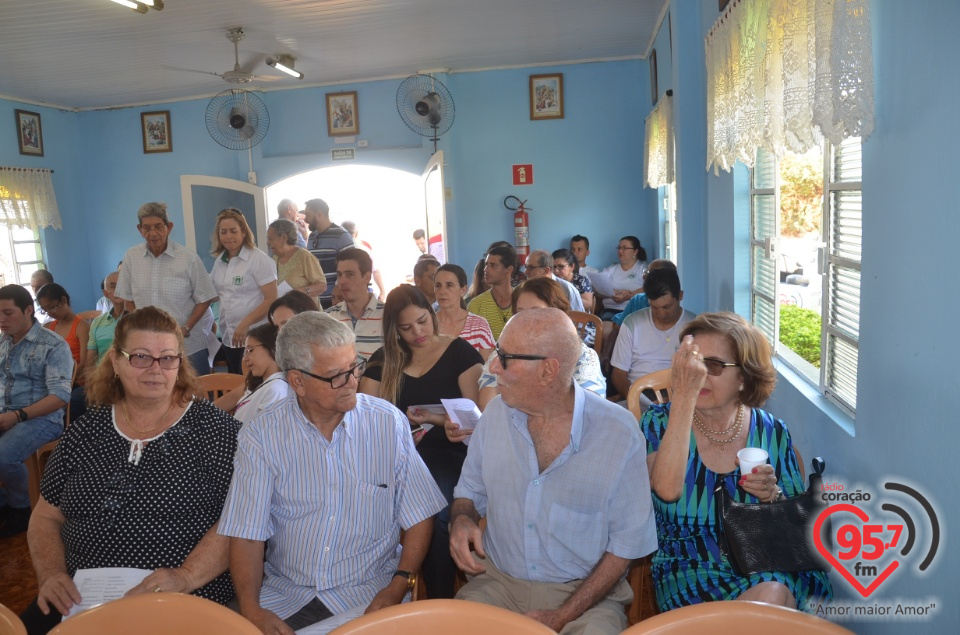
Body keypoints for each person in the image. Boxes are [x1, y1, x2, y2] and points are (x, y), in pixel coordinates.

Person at [219, 312, 446, 634]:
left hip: (369, 594)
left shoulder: (386, 423)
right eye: (336, 376)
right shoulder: (262, 436)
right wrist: (252, 609)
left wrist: (400, 582)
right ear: (297, 381)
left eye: (355, 367)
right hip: (286, 595)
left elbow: (420, 513)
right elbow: (247, 534)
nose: (353, 382)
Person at [21, 307, 242, 633]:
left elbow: (240, 520)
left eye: (167, 358)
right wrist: (52, 573)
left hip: (182, 596)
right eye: (140, 357)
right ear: (115, 360)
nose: (156, 369)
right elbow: (45, 517)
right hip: (80, 598)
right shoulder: (87, 430)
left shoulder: (215, 431)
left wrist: (184, 577)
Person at [450, 308, 658, 634]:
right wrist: (461, 520)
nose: (492, 366)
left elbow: (627, 546)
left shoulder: (617, 432)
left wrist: (562, 616)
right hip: (497, 585)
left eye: (504, 358)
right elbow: (468, 494)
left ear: (548, 370)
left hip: (585, 598)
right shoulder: (494, 418)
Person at [641, 312, 832, 612]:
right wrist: (684, 399)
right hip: (690, 563)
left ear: (743, 377)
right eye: (692, 362)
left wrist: (774, 495)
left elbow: (800, 526)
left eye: (713, 365)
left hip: (765, 555)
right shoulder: (660, 421)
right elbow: (666, 490)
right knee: (773, 599)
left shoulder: (772, 431)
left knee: (774, 590)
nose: (698, 373)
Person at [358, 285, 483, 600]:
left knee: (437, 505)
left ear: (433, 315)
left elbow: (476, 419)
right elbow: (363, 415)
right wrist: (403, 423)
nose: (418, 332)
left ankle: (439, 598)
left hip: (450, 450)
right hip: (398, 454)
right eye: (406, 327)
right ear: (394, 330)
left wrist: (436, 419)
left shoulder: (460, 352)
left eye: (423, 321)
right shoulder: (385, 359)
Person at [0, 285, 73, 538]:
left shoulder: (53, 345)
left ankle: (20, 508)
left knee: (3, 456)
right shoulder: (3, 343)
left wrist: (17, 416)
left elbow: (61, 396)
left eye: (8, 313)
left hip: (41, 418)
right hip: (6, 414)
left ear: (28, 310)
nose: (1, 320)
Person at [115, 202, 219, 375]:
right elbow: (128, 298)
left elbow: (205, 297)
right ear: (139, 229)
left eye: (158, 227)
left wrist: (186, 328)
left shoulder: (188, 258)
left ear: (169, 227)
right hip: (149, 349)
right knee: (157, 396)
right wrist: (140, 328)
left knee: (197, 398)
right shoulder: (131, 257)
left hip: (188, 346)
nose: (153, 233)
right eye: (146, 228)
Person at [475, 278, 605, 411]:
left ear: (557, 315)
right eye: (520, 312)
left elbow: (589, 409)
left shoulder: (581, 355)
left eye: (536, 312)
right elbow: (487, 405)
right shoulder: (502, 353)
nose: (525, 320)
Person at [209, 208, 278, 375]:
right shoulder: (220, 261)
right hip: (229, 335)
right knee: (237, 380)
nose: (228, 236)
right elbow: (217, 295)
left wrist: (246, 323)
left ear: (244, 232)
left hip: (255, 335)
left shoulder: (257, 259)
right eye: (223, 232)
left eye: (233, 231)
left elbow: (271, 299)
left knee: (254, 383)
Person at [610, 267, 696, 401]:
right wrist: (641, 403)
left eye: (667, 307)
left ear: (680, 296)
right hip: (638, 394)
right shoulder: (632, 323)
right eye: (654, 307)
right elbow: (619, 375)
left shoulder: (694, 326)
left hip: (677, 397)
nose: (661, 314)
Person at [74, 271, 126, 422]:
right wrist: (92, 381)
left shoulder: (138, 318)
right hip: (101, 378)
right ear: (106, 293)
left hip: (126, 378)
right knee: (76, 399)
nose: (119, 289)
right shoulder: (97, 323)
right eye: (113, 286)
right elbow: (90, 359)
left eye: (122, 284)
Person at [215, 323, 289, 425]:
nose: (245, 358)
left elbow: (265, 434)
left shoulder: (276, 388)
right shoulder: (262, 384)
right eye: (245, 352)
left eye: (250, 350)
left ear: (272, 347)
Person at [325, 248, 385, 360]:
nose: (341, 281)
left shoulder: (387, 315)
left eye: (349, 274)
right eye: (339, 275)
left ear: (366, 277)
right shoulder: (328, 318)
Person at [304, 198, 355, 309]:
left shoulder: (342, 236)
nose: (305, 220)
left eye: (308, 215)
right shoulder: (312, 236)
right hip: (316, 302)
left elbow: (351, 269)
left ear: (319, 214)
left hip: (336, 303)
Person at [433, 263, 494, 353]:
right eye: (438, 285)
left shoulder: (479, 326)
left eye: (449, 285)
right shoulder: (428, 326)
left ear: (463, 290)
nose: (442, 291)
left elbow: (487, 365)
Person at [267, 219, 326, 303]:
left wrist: (299, 292)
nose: (268, 243)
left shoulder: (304, 256)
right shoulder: (275, 258)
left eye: (271, 239)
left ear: (284, 237)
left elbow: (322, 286)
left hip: (306, 313)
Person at [466, 244, 517, 340]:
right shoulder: (476, 305)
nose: (486, 269)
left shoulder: (521, 300)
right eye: (486, 264)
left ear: (508, 269)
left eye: (493, 265)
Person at [36, 283, 90, 372]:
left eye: (51, 307)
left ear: (64, 300)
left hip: (74, 379)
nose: (50, 313)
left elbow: (84, 364)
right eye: (45, 310)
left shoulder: (82, 327)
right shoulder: (48, 327)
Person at [610, 259, 677, 327]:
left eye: (649, 273)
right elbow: (617, 329)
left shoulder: (673, 306)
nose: (644, 276)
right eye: (645, 271)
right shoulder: (637, 300)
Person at [597, 236, 648, 320]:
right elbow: (597, 288)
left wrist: (627, 296)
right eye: (619, 248)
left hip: (634, 310)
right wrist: (612, 293)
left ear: (635, 251)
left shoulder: (643, 268)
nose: (620, 251)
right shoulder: (611, 269)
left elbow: (649, 288)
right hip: (610, 310)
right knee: (605, 330)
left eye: (625, 248)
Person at [342, 220, 386, 302]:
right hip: (364, 288)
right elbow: (375, 270)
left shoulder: (339, 247)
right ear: (356, 233)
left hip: (343, 291)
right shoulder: (365, 247)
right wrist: (382, 291)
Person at [552, 248, 594, 313]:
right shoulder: (552, 281)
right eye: (554, 267)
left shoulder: (582, 280)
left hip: (579, 319)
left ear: (571, 266)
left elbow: (588, 304)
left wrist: (566, 298)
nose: (556, 270)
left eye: (560, 266)